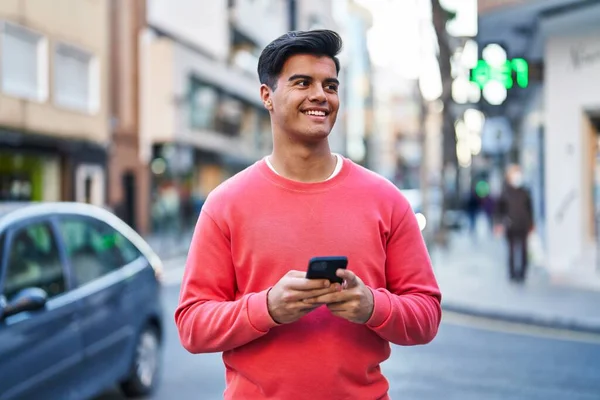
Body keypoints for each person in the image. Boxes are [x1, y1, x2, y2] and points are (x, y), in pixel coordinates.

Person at [175, 30, 442, 400]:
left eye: (330, 85)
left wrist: (371, 306)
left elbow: (427, 315)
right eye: (303, 82)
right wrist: (267, 308)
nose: (320, 95)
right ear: (267, 96)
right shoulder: (225, 204)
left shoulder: (386, 199)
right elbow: (192, 326)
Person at [494, 164, 534, 282]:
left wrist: (531, 223)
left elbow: (530, 208)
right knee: (511, 250)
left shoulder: (525, 192)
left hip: (523, 225)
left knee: (523, 250)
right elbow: (499, 210)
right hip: (510, 225)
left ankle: (522, 273)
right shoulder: (505, 192)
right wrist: (499, 223)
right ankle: (512, 273)